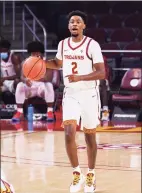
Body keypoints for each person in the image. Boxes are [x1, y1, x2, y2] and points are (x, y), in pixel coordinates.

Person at [45, 10, 105, 193]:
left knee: (89, 136)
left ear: (84, 26)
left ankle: (91, 174)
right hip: (70, 93)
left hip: (89, 94)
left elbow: (102, 73)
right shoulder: (63, 44)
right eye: (71, 22)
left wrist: (81, 78)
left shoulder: (92, 45)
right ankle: (76, 173)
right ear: (68, 25)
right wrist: (41, 63)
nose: (74, 24)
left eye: (78, 22)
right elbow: (57, 63)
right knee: (69, 133)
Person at [12, 41, 55, 122]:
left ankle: (50, 112)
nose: (35, 55)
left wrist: (33, 77)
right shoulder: (25, 62)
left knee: (49, 85)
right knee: (20, 85)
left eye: (37, 53)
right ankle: (19, 112)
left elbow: (48, 78)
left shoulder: (47, 63)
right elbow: (22, 77)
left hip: (41, 87)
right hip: (30, 87)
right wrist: (25, 80)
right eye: (33, 53)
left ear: (41, 53)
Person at [99, 56, 110, 122]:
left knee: (102, 84)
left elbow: (105, 70)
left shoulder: (102, 57)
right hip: (91, 81)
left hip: (102, 79)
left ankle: (105, 114)